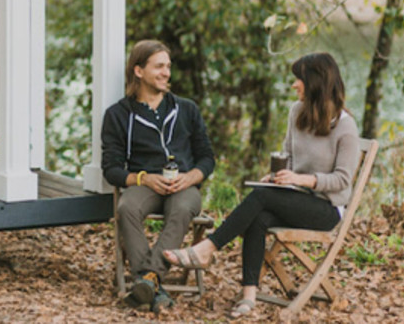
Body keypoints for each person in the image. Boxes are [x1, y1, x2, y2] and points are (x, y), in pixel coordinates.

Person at [163, 52, 359, 319]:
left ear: (314, 82)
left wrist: (302, 179)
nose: (293, 85)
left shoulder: (346, 128)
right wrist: (277, 176)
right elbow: (287, 154)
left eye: (298, 79)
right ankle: (249, 296)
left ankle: (207, 249)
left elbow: (343, 180)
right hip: (294, 197)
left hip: (326, 208)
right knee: (259, 215)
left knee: (261, 199)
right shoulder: (296, 112)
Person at [101, 39, 216, 314]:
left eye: (168, 66)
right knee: (127, 206)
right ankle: (154, 286)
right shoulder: (118, 115)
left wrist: (191, 177)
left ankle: (147, 279)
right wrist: (144, 179)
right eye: (159, 66)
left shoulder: (186, 109)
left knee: (182, 208)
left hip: (183, 185)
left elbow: (207, 158)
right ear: (139, 71)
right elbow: (112, 169)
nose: (166, 72)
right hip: (146, 184)